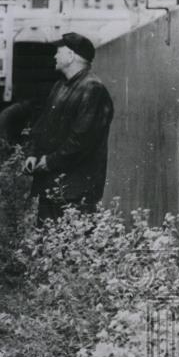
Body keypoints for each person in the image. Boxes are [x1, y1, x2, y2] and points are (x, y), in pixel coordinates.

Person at [24, 32, 115, 223]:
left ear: (71, 56)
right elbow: (42, 126)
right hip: (53, 185)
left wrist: (49, 161)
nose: (54, 56)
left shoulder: (93, 89)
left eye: (59, 51)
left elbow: (82, 140)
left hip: (76, 190)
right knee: (49, 244)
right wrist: (33, 153)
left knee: (71, 244)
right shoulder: (60, 86)